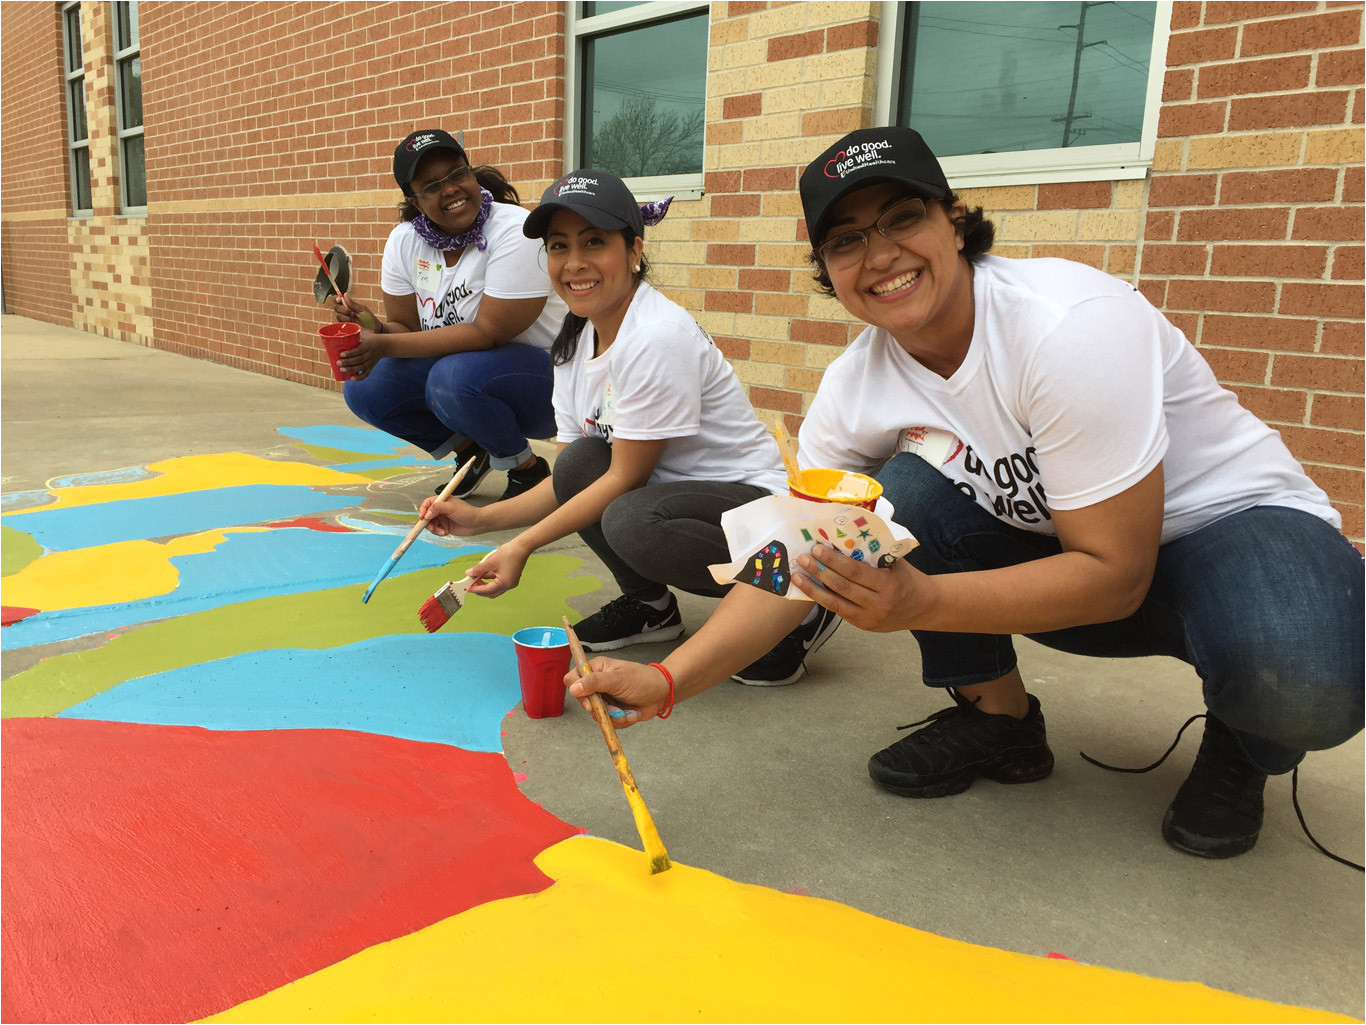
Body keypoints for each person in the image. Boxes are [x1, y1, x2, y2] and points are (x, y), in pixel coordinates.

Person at [571, 127, 1364, 861]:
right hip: (1066, 555)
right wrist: (671, 678)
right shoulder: (855, 387)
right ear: (828, 271)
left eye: (901, 218)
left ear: (955, 220)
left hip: (1227, 528)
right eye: (846, 240)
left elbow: (1116, 575)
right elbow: (795, 560)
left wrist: (919, 603)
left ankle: (1245, 737)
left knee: (1302, 678)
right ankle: (1000, 721)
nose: (879, 255)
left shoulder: (1066, 326)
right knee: (898, 492)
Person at [419, 170, 841, 683]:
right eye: (559, 246)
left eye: (594, 242)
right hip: (673, 492)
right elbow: (572, 479)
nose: (574, 263)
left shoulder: (656, 336)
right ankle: (651, 607)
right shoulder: (574, 342)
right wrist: (479, 520)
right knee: (580, 463)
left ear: (634, 250)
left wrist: (521, 546)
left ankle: (800, 597)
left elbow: (624, 479)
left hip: (756, 502)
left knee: (630, 520)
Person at [329, 129, 567, 502]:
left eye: (457, 174)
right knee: (365, 384)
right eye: (432, 185)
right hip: (470, 379)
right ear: (415, 199)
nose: (451, 189)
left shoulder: (514, 230)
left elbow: (487, 333)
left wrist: (383, 344)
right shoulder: (405, 241)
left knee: (451, 375)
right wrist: (371, 326)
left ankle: (527, 471)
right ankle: (473, 451)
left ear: (470, 173)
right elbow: (405, 329)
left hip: (549, 385)